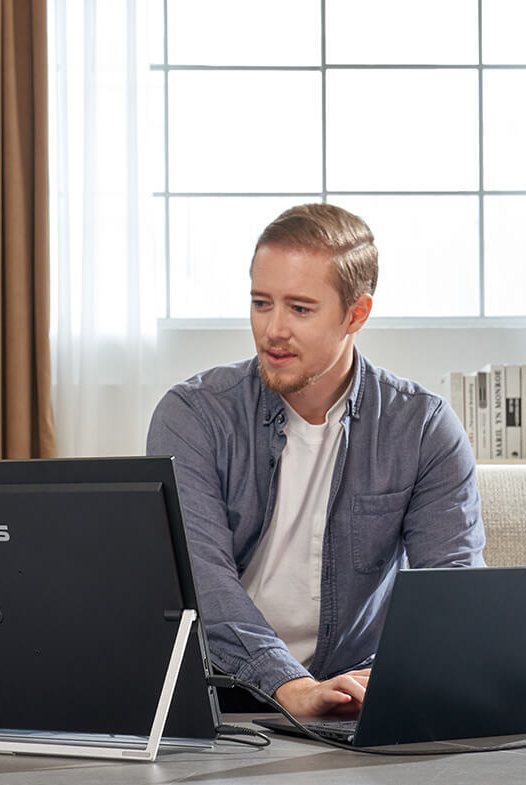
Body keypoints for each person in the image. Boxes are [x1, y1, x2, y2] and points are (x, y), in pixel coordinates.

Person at [146, 203, 484, 718]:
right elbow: (200, 580)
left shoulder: (422, 428)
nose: (273, 329)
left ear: (356, 314)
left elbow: (454, 589)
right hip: (216, 693)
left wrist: (407, 677)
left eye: (300, 309)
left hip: (352, 691)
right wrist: (289, 685)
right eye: (262, 303)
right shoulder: (192, 416)